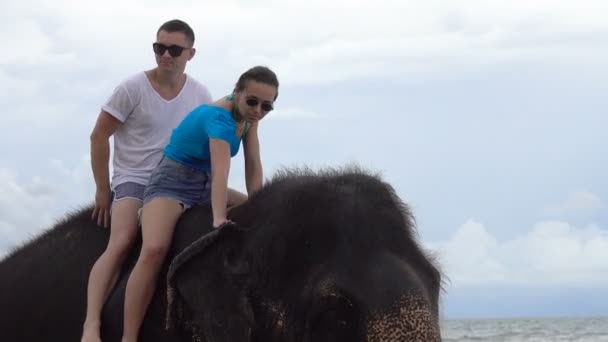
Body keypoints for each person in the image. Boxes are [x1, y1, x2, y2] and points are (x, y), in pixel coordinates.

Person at [119, 65, 279, 342]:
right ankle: (128, 337)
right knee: (154, 250)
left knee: (255, 213)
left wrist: (260, 205)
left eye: (267, 106)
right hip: (173, 183)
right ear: (237, 91)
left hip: (204, 184)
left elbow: (253, 165)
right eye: (252, 101)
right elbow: (221, 170)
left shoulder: (249, 120)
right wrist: (218, 218)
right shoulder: (218, 119)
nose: (258, 110)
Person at [82, 19, 218, 342]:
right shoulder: (132, 88)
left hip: (177, 181)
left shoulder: (200, 94)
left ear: (191, 53)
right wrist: (104, 189)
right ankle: (91, 324)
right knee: (123, 241)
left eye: (174, 49)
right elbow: (99, 136)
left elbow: (207, 147)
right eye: (160, 48)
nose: (166, 55)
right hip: (135, 178)